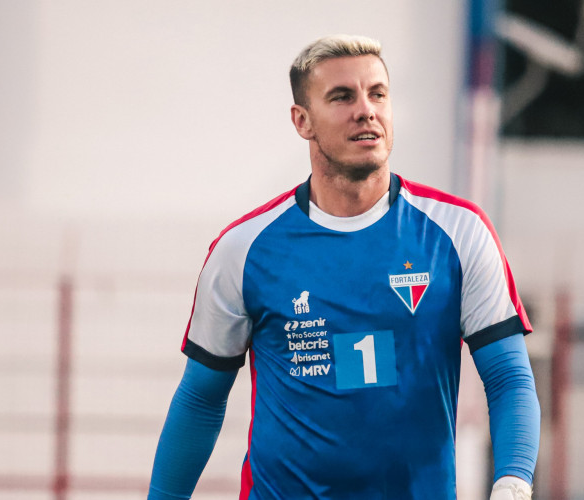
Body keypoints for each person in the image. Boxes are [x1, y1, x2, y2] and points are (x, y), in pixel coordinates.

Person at [148, 35, 540, 500]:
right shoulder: (244, 249)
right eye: (342, 97)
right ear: (302, 121)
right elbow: (200, 398)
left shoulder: (459, 233)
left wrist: (513, 482)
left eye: (378, 94)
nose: (366, 110)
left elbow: (508, 376)